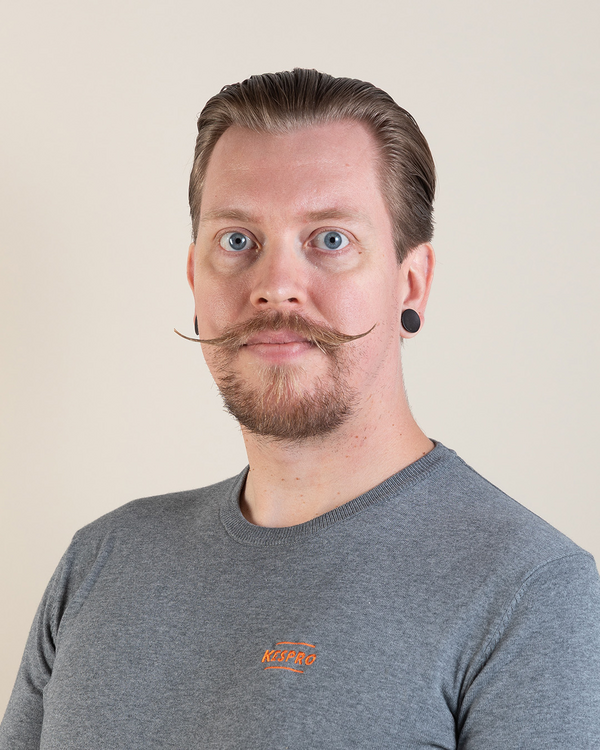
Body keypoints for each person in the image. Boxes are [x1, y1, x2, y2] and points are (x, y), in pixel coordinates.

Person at [1, 69, 599, 749]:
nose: (276, 285)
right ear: (195, 278)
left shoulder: (529, 591)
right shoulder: (102, 561)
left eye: (330, 239)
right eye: (237, 241)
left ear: (410, 283)